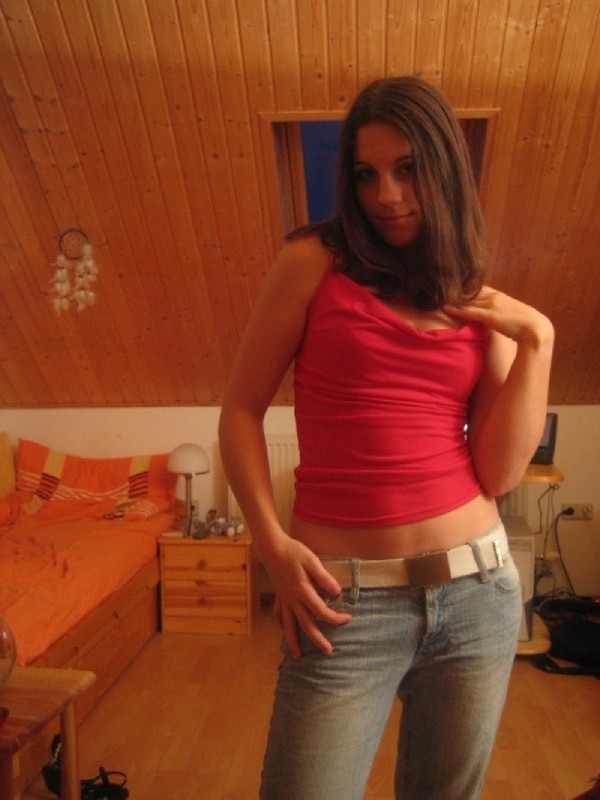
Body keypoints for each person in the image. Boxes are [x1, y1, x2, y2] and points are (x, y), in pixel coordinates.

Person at [218, 75, 554, 800]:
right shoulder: (312, 262)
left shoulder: (468, 286)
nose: (388, 196)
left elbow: (499, 473)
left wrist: (539, 341)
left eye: (407, 169)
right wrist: (271, 546)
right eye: (367, 174)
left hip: (478, 593)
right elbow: (240, 411)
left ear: (444, 168)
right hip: (344, 602)